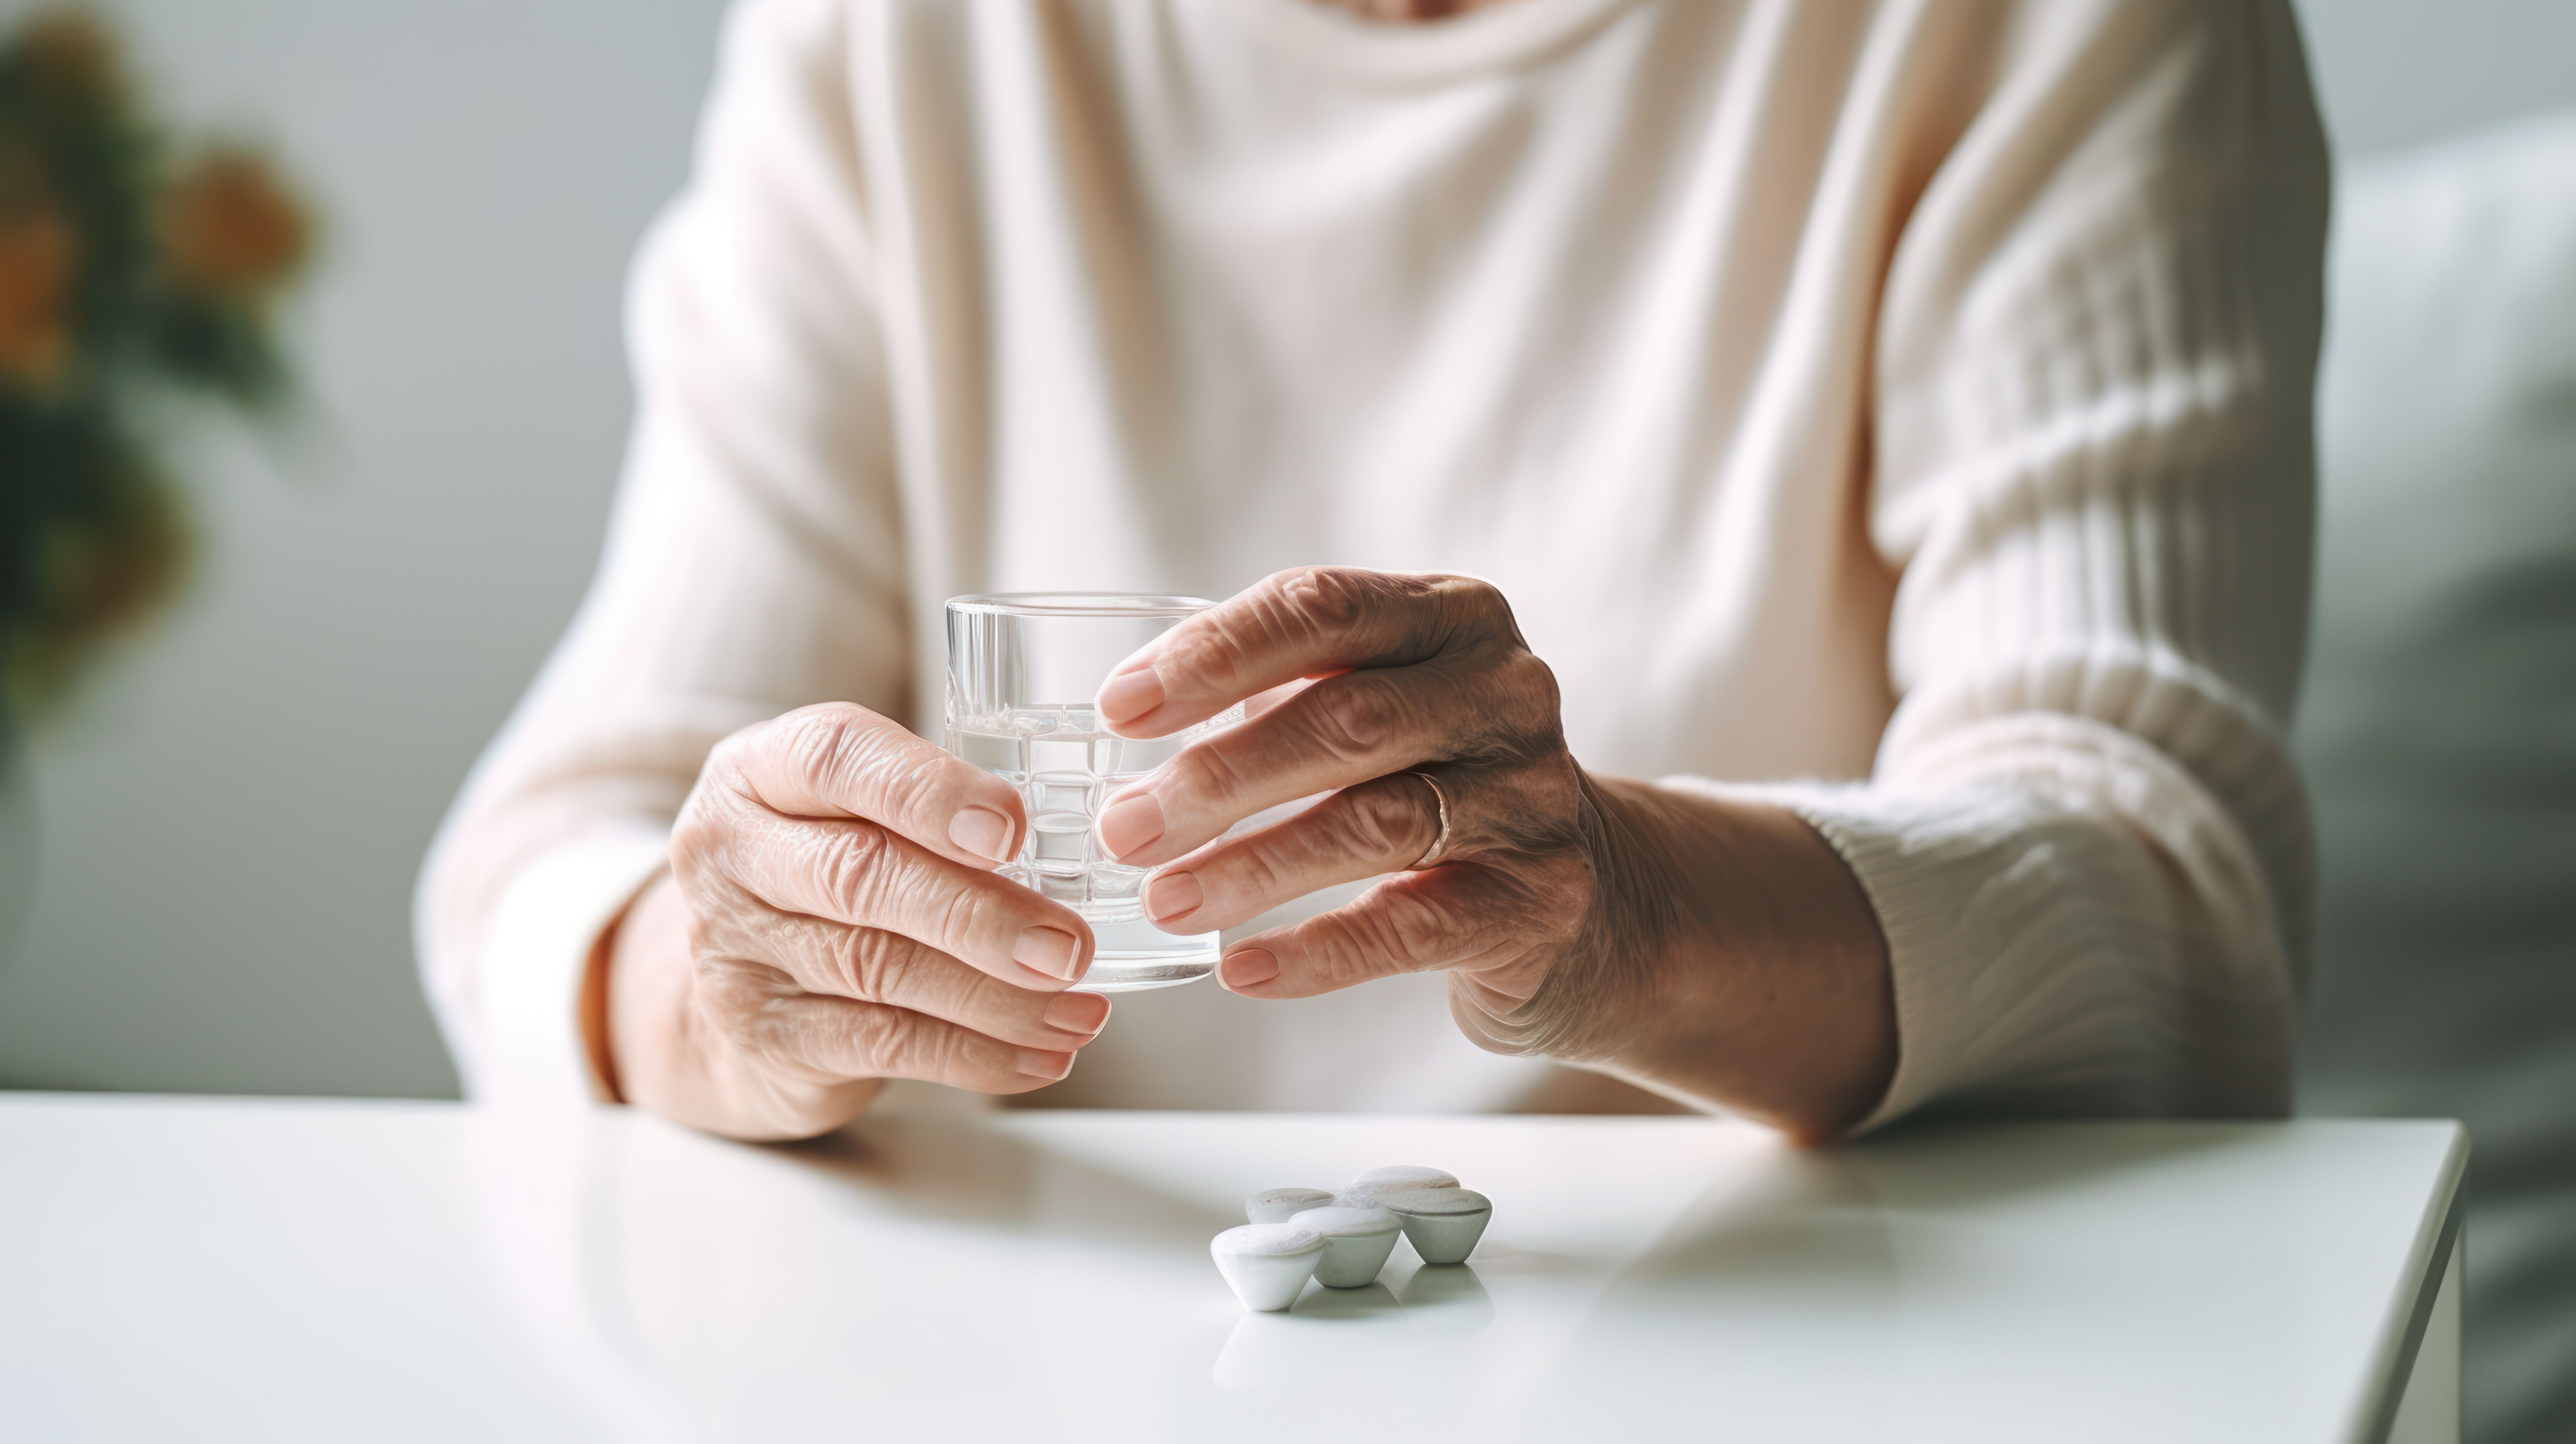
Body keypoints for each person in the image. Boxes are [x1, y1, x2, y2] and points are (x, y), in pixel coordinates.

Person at [418, 0, 2328, 1144]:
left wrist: (1625, 911)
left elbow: (2169, 918)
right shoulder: (910, 39)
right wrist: (725, 977)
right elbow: (553, 859)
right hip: (1024, 1363)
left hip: (1768, 1353)